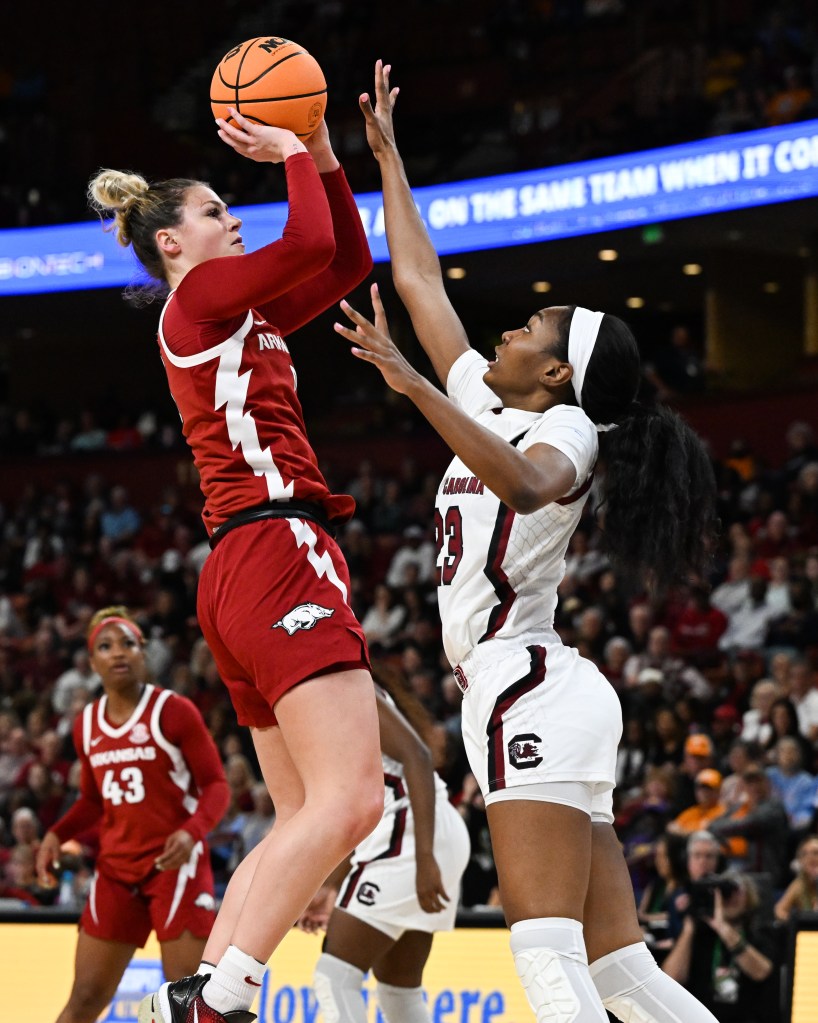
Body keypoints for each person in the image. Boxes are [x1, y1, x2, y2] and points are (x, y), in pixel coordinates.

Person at [335, 61, 721, 1023]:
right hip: (535, 688)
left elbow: (527, 484)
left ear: (554, 372)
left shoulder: (570, 431)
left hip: (526, 685)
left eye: (530, 326)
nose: (505, 327)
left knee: (548, 961)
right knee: (623, 969)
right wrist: (388, 160)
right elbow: (420, 282)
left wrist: (408, 384)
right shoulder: (489, 402)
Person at [86, 106, 383, 1023]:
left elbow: (343, 262)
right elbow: (303, 238)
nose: (234, 219)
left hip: (240, 566)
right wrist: (293, 148)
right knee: (353, 804)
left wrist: (326, 157)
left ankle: (200, 991)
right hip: (275, 546)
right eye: (218, 211)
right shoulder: (201, 299)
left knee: (303, 814)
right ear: (172, 242)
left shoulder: (227, 310)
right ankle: (223, 995)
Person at [35, 607, 230, 1023]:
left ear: (144, 653)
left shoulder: (174, 711)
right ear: (92, 664)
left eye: (128, 643)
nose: (118, 653)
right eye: (105, 646)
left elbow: (217, 786)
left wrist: (193, 831)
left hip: (174, 867)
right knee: (85, 997)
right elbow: (92, 800)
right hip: (117, 871)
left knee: (189, 1004)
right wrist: (56, 832)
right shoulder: (85, 724)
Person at [298, 683, 470, 1023]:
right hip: (426, 831)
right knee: (398, 991)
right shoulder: (325, 696)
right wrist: (329, 886)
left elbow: (418, 757)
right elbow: (353, 814)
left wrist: (424, 859)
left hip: (412, 833)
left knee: (335, 977)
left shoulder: (341, 685)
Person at [662, 872, 778, 1023]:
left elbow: (761, 971)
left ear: (749, 897)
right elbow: (671, 977)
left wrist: (722, 927)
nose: (731, 897)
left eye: (737, 890)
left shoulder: (759, 934)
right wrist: (689, 926)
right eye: (725, 892)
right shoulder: (698, 936)